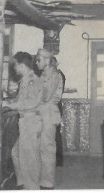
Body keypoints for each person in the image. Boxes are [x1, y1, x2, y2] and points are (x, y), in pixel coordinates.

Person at [2, 52, 43, 190]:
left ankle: (32, 188)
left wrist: (9, 105)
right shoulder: (26, 79)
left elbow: (31, 103)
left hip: (30, 122)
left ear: (21, 65)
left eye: (15, 65)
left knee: (29, 160)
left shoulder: (32, 80)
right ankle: (22, 184)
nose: (14, 68)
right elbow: (22, 100)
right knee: (16, 152)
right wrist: (9, 101)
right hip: (27, 122)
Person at [35, 49, 63, 189]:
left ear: (47, 60)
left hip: (48, 113)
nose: (37, 62)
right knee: (41, 149)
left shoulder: (53, 75)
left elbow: (45, 97)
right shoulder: (44, 74)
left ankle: (47, 184)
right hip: (42, 113)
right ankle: (42, 181)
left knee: (47, 149)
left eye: (39, 59)